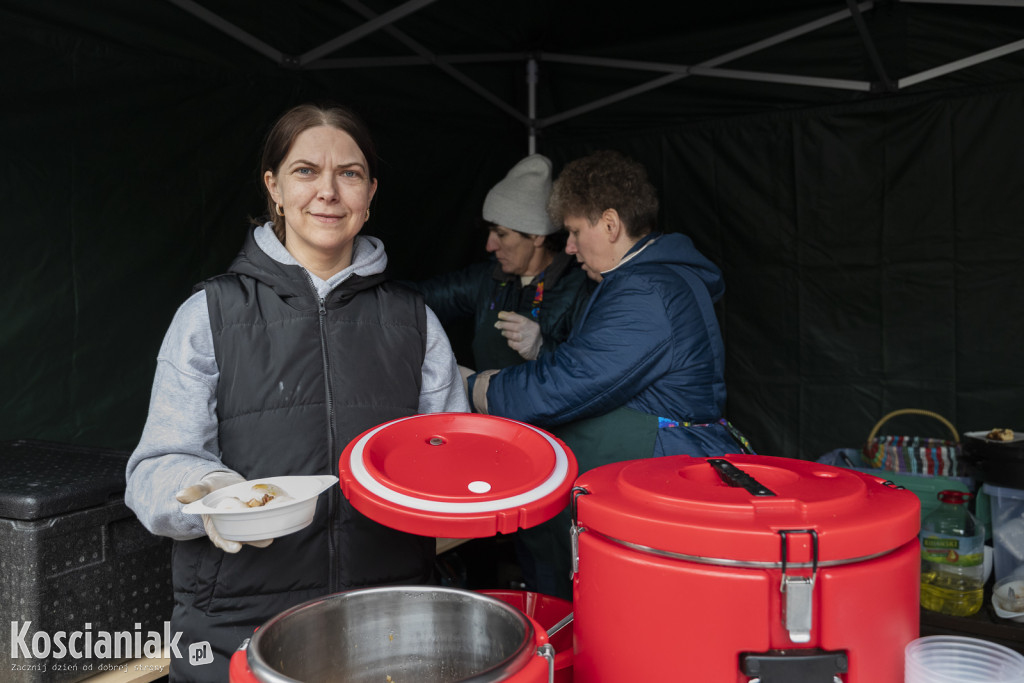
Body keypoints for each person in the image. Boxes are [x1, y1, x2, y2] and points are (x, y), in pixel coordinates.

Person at [125, 103, 469, 682]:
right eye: (306, 171)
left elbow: (448, 461)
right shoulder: (209, 314)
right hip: (238, 622)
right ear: (274, 188)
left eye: (350, 173)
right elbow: (152, 470)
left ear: (370, 193)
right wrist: (207, 494)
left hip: (387, 620)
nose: (328, 192)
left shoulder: (416, 321)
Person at [467, 149, 750, 598]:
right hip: (659, 471)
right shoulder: (646, 278)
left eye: (577, 231)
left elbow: (570, 383)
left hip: (662, 475)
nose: (571, 246)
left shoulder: (646, 290)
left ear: (612, 224)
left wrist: (478, 388)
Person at [408, 154, 593, 371]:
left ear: (537, 236)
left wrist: (543, 347)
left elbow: (591, 370)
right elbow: (423, 298)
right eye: (490, 233)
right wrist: (370, 293)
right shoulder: (490, 278)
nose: (490, 246)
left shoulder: (580, 288)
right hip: (487, 403)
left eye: (501, 234)